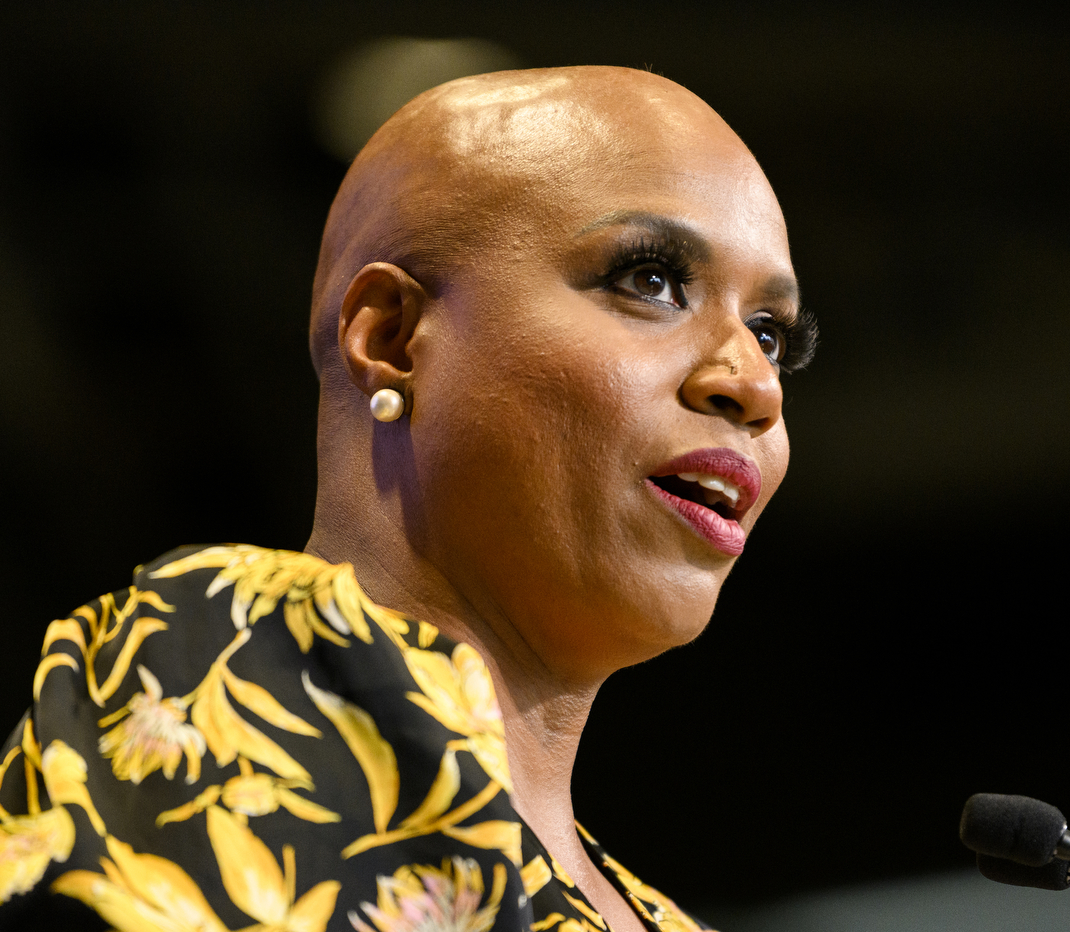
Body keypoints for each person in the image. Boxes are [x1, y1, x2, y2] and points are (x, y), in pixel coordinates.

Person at [0, 65, 815, 931]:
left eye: (772, 334)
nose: (755, 384)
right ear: (391, 337)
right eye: (650, 281)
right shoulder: (204, 663)